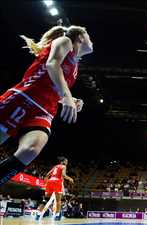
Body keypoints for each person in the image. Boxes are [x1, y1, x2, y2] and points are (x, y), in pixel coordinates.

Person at [0, 25, 93, 186]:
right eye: (89, 37)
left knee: (31, 149)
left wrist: (69, 99)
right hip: (24, 99)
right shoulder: (65, 41)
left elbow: (52, 87)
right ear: (80, 37)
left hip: (43, 111)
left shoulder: (75, 68)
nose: (92, 42)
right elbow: (52, 64)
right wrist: (67, 95)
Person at [36, 157, 74, 221]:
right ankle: (57, 216)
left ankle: (38, 214)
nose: (67, 163)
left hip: (50, 181)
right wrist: (70, 178)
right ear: (63, 162)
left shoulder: (55, 166)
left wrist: (46, 183)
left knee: (45, 200)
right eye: (66, 161)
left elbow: (47, 174)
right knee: (58, 201)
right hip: (57, 182)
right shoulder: (63, 166)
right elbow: (64, 175)